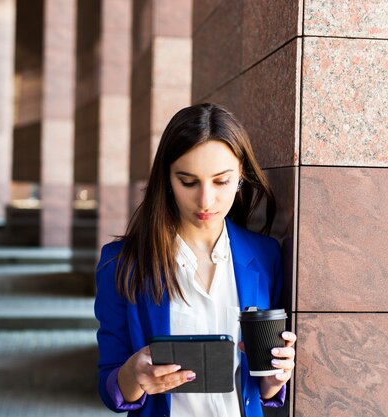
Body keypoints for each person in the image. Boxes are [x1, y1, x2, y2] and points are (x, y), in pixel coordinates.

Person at [95, 103, 296, 417]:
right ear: (167, 179)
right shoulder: (120, 263)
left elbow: (265, 389)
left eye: (221, 181)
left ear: (241, 176)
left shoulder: (266, 256)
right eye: (188, 182)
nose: (206, 200)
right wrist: (135, 375)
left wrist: (275, 376)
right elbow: (112, 385)